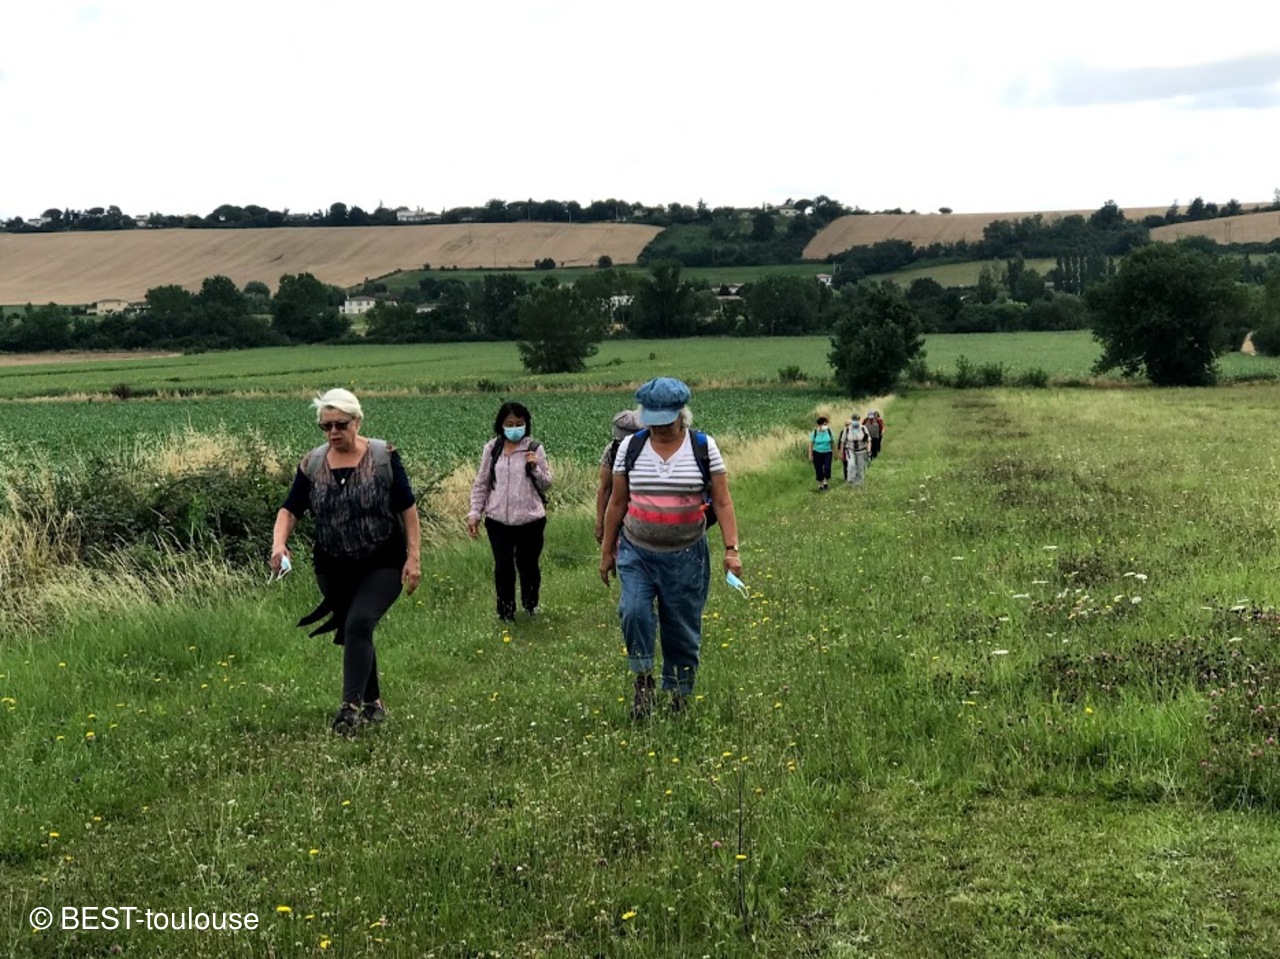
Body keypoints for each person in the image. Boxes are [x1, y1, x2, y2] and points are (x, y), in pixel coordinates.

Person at [270, 388, 422, 736]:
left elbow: (407, 509)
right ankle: (374, 703)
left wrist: (414, 557)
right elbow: (290, 509)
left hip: (383, 559)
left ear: (357, 422)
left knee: (359, 622)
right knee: (358, 627)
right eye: (326, 426)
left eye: (340, 424)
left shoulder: (383, 457)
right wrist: (279, 544)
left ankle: (348, 709)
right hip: (333, 565)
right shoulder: (312, 464)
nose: (333, 432)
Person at [599, 377, 742, 719]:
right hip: (636, 550)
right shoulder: (631, 447)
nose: (660, 428)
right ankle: (643, 682)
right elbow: (617, 502)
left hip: (686, 554)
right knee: (633, 611)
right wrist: (606, 551)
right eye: (653, 421)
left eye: (666, 421)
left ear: (682, 414)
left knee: (680, 627)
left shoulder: (703, 447)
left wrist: (731, 549)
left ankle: (679, 695)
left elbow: (722, 501)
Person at [468, 401, 553, 622]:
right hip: (497, 520)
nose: (514, 428)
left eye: (519, 423)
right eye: (509, 424)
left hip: (530, 520)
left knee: (528, 565)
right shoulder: (492, 449)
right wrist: (475, 513)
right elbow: (482, 483)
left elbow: (546, 484)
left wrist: (535, 468)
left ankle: (530, 604)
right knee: (503, 567)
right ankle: (505, 612)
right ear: (501, 425)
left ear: (526, 424)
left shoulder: (534, 448)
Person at [595, 409, 643, 544]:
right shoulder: (611, 450)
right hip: (617, 511)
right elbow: (604, 488)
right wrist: (600, 522)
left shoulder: (649, 450)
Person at [842, 414, 870, 486]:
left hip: (861, 450)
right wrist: (842, 453)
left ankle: (858, 483)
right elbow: (843, 441)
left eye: (857, 420)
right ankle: (850, 479)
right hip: (850, 450)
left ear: (859, 420)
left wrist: (869, 451)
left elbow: (869, 440)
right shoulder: (847, 429)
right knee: (851, 464)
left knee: (860, 467)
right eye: (854, 420)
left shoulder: (863, 428)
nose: (855, 421)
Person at [807, 415, 835, 491]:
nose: (826, 426)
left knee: (827, 468)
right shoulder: (814, 433)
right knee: (818, 469)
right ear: (819, 425)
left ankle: (825, 481)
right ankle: (820, 484)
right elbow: (810, 444)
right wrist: (810, 454)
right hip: (817, 453)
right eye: (824, 424)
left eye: (826, 424)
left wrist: (835, 452)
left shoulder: (829, 432)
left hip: (828, 452)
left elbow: (832, 442)